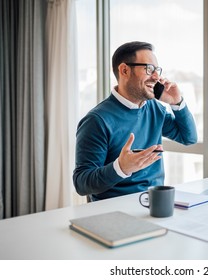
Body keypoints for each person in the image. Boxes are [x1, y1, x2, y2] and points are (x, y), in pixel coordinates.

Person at [73, 41, 197, 201]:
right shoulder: (96, 121)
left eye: (157, 70)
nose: (156, 77)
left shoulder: (154, 108)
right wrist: (121, 167)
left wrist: (177, 102)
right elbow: (82, 183)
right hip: (115, 212)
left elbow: (188, 138)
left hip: (155, 204)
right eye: (149, 69)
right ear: (124, 70)